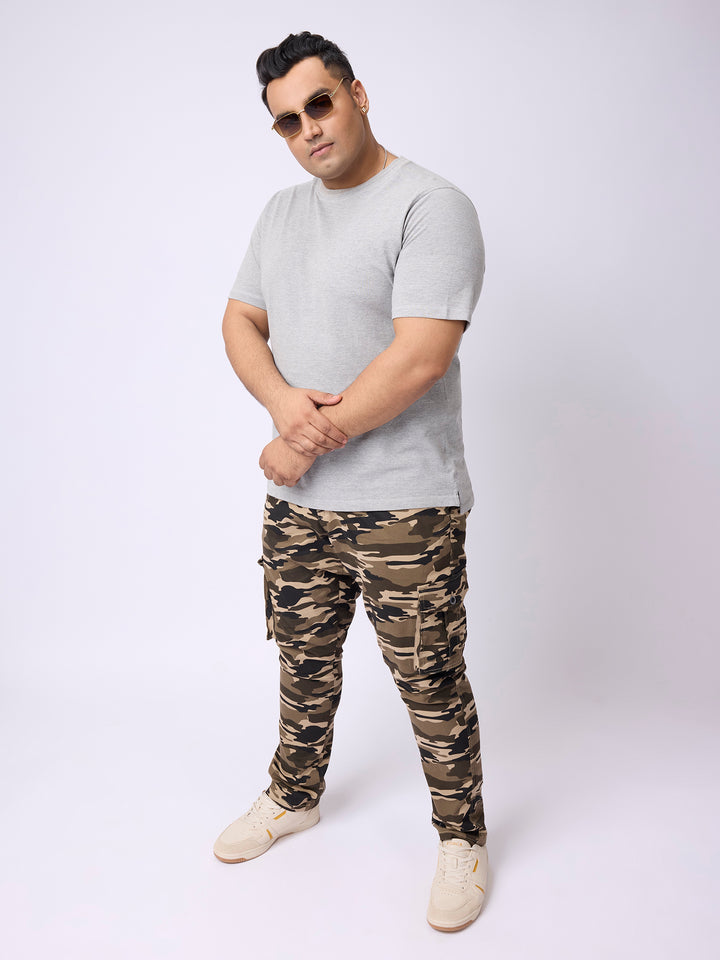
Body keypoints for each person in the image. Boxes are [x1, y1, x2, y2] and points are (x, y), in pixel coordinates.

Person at [213, 31, 488, 932]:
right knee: (301, 661)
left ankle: (461, 837)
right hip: (300, 512)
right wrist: (283, 404)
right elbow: (240, 320)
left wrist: (302, 444)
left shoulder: (431, 206)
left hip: (406, 501)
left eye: (320, 104)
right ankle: (294, 796)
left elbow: (419, 357)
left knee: (429, 677)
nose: (309, 129)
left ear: (358, 94)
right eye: (287, 120)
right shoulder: (281, 212)